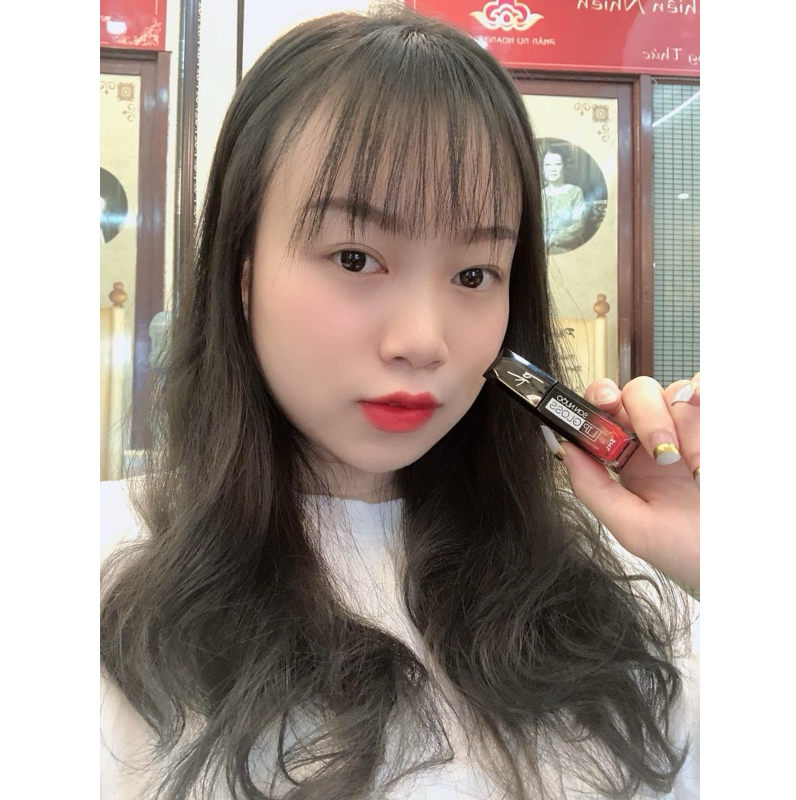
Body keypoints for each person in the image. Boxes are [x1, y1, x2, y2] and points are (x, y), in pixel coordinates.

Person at [100, 9, 700, 800]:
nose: (423, 340)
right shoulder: (98, 568)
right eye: (356, 258)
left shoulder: (623, 583)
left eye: (475, 274)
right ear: (242, 274)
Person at [541, 150, 587, 255]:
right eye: (547, 165)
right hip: (542, 251)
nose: (552, 169)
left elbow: (579, 226)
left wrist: (553, 238)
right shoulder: (539, 196)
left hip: (569, 249)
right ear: (543, 169)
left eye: (557, 164)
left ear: (564, 167)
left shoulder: (575, 192)